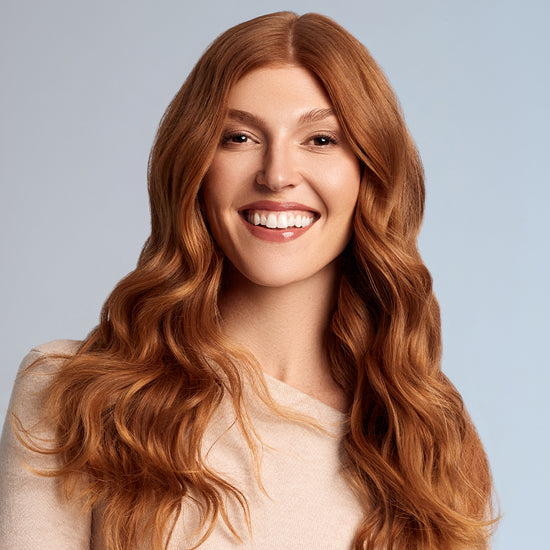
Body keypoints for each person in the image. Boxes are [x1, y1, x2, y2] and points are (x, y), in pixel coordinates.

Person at [0, 11, 497, 550]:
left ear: (369, 173)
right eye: (238, 137)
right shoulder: (78, 394)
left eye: (321, 139)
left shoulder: (429, 441)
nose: (277, 173)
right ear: (194, 166)